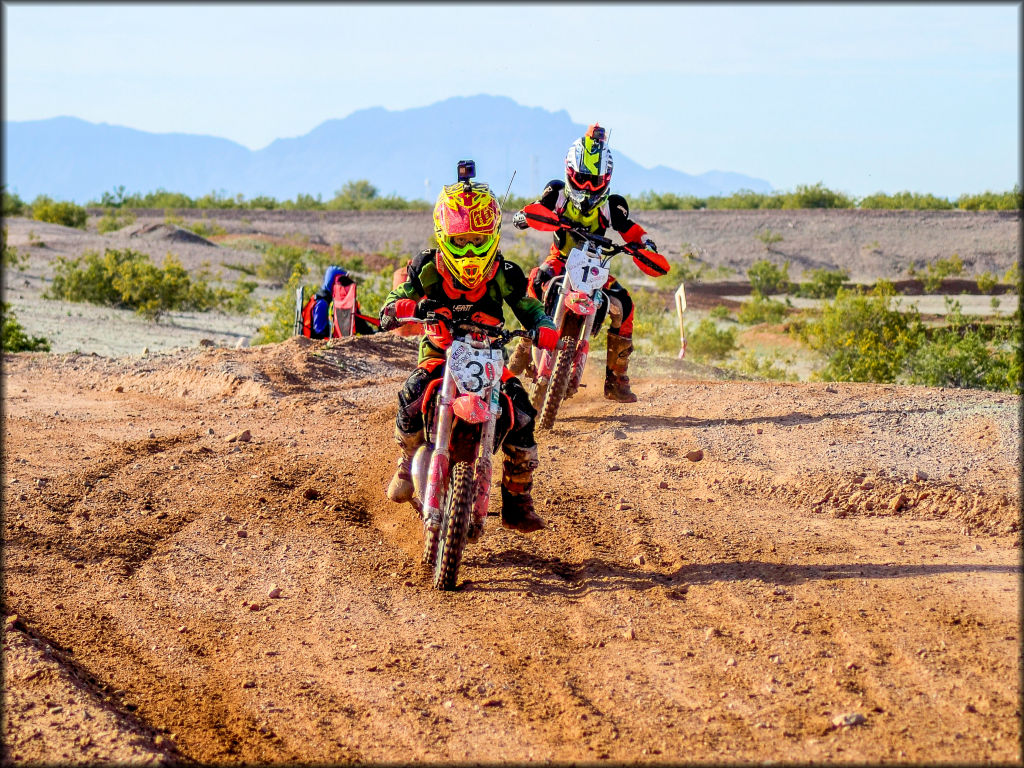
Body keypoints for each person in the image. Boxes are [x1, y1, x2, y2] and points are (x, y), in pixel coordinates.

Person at [378, 168, 558, 533]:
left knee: (522, 412)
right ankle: (407, 456)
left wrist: (544, 325)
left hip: (490, 357)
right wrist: (398, 308)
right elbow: (400, 297)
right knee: (412, 393)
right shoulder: (427, 266)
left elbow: (527, 305)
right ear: (444, 236)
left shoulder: (504, 271)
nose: (470, 248)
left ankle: (518, 499)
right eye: (461, 241)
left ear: (492, 235)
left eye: (478, 238)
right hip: (440, 353)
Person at [508, 123, 662, 403]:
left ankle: (616, 378)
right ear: (570, 171)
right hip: (561, 260)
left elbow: (630, 229)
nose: (588, 185)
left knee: (625, 305)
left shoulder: (612, 204)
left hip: (595, 267)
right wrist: (524, 216)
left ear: (607, 176)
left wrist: (646, 244)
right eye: (582, 177)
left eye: (595, 179)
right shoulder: (556, 192)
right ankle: (526, 341)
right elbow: (536, 209)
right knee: (536, 279)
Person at [299, 265, 379, 338]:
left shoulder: (335, 300)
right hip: (321, 346)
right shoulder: (322, 302)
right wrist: (334, 331)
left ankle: (371, 333)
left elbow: (356, 320)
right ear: (333, 283)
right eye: (342, 282)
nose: (344, 286)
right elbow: (319, 330)